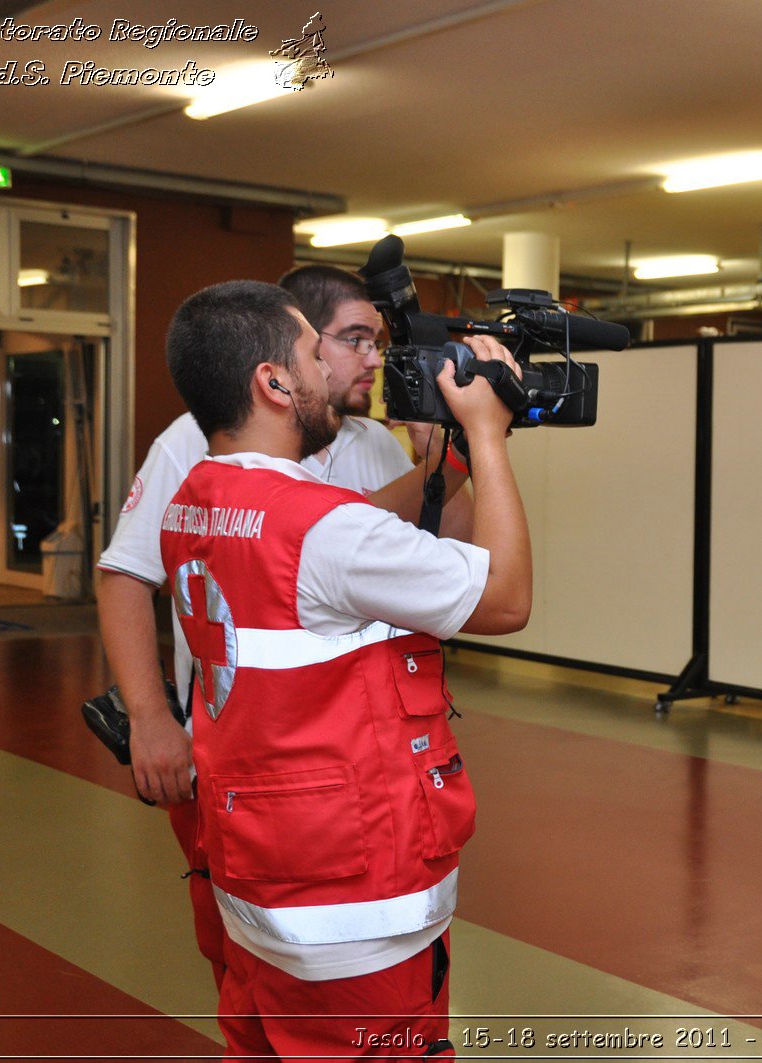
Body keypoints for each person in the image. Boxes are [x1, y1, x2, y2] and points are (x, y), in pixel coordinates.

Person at [159, 279, 529, 1058]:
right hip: (357, 911)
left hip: (260, 892)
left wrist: (448, 462)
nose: (333, 376)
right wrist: (490, 440)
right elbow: (505, 597)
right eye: (312, 358)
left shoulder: (193, 503)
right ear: (274, 383)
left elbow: (349, 539)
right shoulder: (322, 530)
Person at [95, 264, 473, 984]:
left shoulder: (368, 440)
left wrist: (442, 452)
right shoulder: (198, 438)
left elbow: (435, 537)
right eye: (355, 339)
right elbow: (126, 574)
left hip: (358, 754)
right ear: (293, 347)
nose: (374, 359)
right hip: (238, 750)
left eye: (379, 341)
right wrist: (150, 717)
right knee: (243, 957)